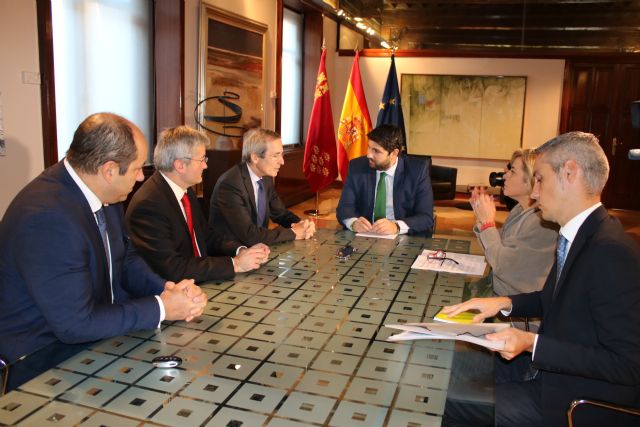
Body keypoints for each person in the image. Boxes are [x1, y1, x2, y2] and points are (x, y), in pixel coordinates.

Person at [442, 132, 640, 427]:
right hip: (545, 368)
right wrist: (502, 303)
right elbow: (552, 301)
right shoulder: (581, 235)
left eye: (541, 180)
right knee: (439, 368)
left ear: (570, 173)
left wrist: (533, 344)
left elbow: (628, 365)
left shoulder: (611, 253)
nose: (534, 193)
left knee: (441, 398)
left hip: (572, 397)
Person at [0, 113, 207, 391]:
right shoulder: (47, 216)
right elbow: (76, 324)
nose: (141, 176)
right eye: (136, 168)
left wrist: (166, 290)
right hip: (40, 360)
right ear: (109, 170)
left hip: (100, 332)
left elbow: (126, 259)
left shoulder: (103, 191)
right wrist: (162, 308)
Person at [126, 126, 269, 284]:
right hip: (171, 291)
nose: (205, 166)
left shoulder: (185, 191)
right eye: (202, 160)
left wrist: (241, 250)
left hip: (199, 279)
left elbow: (206, 236)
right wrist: (235, 264)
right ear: (180, 165)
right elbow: (173, 268)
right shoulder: (149, 205)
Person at [471, 148, 558, 315]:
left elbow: (501, 265)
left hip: (517, 313)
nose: (505, 176)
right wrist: (481, 219)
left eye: (512, 171)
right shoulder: (521, 210)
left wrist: (488, 223)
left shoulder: (541, 222)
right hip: (499, 297)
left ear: (530, 181)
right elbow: (494, 249)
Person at [207, 128, 315, 246]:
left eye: (282, 155)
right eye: (275, 155)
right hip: (232, 253)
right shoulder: (230, 184)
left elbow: (281, 214)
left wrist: (302, 224)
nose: (282, 161)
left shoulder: (266, 178)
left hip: (257, 247)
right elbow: (249, 235)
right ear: (255, 158)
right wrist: (293, 232)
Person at [336, 124, 434, 236]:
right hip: (366, 236)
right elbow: (344, 208)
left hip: (402, 238)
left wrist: (396, 226)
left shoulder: (417, 171)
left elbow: (426, 217)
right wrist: (353, 223)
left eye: (376, 151)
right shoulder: (357, 166)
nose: (369, 155)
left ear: (394, 154)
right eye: (369, 147)